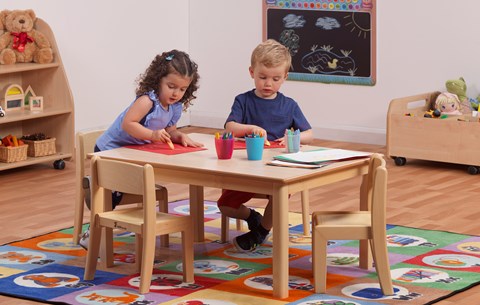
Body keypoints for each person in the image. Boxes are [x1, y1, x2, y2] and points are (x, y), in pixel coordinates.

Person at [79, 50, 202, 249]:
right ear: (158, 80)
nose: (176, 93)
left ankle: (97, 189)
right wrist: (153, 135)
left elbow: (170, 129)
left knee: (130, 184)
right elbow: (129, 124)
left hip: (133, 151)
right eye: (171, 87)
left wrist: (179, 136)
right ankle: (91, 232)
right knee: (118, 188)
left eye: (182, 89)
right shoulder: (147, 101)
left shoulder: (175, 106)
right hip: (110, 149)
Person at [219, 39, 313, 252]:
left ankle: (260, 232)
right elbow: (229, 127)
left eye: (275, 78)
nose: (268, 83)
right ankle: (253, 217)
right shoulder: (243, 100)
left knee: (280, 194)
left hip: (276, 167)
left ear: (285, 77)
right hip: (246, 168)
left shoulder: (289, 105)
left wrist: (292, 137)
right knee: (224, 205)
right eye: (262, 77)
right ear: (252, 72)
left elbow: (309, 134)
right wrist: (250, 128)